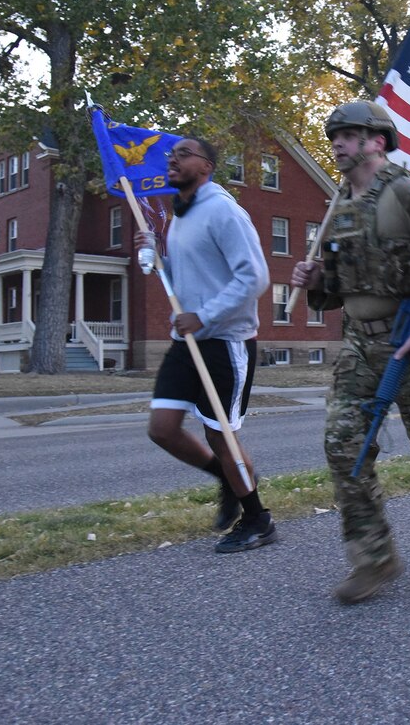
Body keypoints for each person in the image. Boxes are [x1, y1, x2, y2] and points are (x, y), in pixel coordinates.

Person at [290, 100, 410, 604]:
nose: (337, 144)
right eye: (335, 136)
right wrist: (316, 281)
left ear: (377, 140)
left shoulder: (408, 193)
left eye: (348, 135)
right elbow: (343, 286)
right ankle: (374, 558)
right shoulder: (339, 205)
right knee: (342, 446)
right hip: (358, 346)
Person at [135, 136, 275, 554]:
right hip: (187, 342)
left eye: (183, 154)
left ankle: (258, 519)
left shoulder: (224, 211)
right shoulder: (181, 216)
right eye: (171, 155)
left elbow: (255, 277)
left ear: (207, 167)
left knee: (222, 437)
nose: (172, 160)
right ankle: (227, 480)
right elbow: (184, 282)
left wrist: (205, 315)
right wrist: (157, 258)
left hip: (225, 342)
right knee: (162, 429)